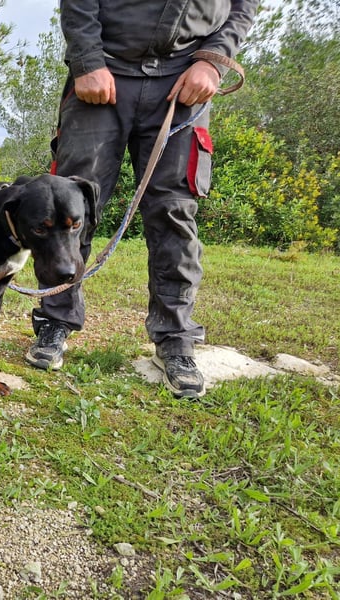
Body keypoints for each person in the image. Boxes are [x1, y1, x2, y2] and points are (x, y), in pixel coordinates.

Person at [24, 0, 259, 398]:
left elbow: (244, 5)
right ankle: (55, 319)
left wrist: (213, 60)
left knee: (174, 212)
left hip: (185, 79)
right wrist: (86, 61)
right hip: (104, 70)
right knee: (69, 205)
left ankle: (175, 339)